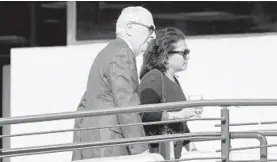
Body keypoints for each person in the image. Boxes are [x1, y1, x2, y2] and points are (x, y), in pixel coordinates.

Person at [72, 6, 156, 160]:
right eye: (150, 29)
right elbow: (126, 105)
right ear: (130, 28)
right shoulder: (122, 53)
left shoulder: (109, 52)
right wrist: (141, 151)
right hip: (110, 145)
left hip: (95, 144)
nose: (154, 36)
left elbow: (85, 104)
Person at [138, 27, 203, 159]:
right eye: (184, 52)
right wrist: (177, 115)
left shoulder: (173, 80)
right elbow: (144, 113)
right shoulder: (154, 77)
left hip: (171, 155)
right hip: (156, 155)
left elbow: (182, 127)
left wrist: (195, 152)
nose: (188, 56)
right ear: (166, 56)